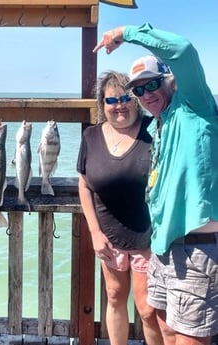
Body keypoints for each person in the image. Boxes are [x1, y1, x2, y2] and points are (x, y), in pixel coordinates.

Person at [93, 23, 218, 345]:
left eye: (152, 85)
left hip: (197, 248)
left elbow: (183, 51)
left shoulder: (195, 107)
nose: (147, 95)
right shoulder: (162, 127)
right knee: (165, 332)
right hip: (164, 249)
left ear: (171, 81)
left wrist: (126, 32)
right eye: (139, 90)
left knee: (190, 338)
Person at [77, 70, 164, 345]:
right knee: (114, 297)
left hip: (148, 237)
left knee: (148, 309)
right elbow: (84, 185)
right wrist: (94, 232)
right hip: (108, 237)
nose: (120, 105)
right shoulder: (91, 136)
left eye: (126, 97)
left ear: (136, 100)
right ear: (102, 105)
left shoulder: (154, 130)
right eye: (111, 100)